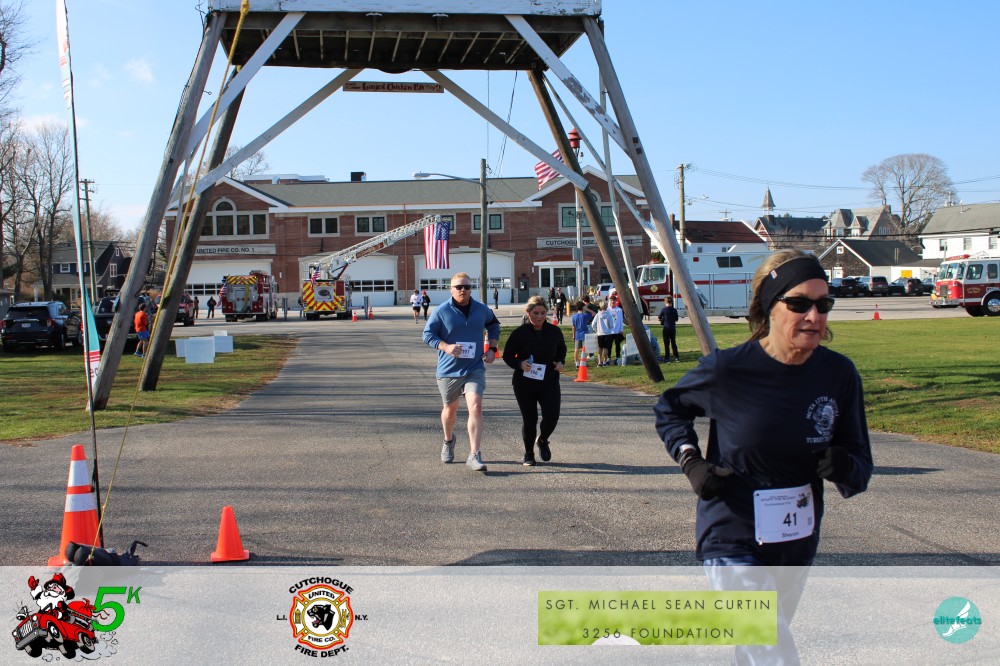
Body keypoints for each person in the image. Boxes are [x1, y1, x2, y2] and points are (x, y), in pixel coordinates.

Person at [654, 249, 873, 664]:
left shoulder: (838, 374)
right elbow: (670, 409)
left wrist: (845, 466)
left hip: (795, 542)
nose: (814, 316)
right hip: (731, 534)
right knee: (771, 646)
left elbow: (860, 464)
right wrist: (691, 461)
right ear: (770, 307)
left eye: (823, 304)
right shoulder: (728, 370)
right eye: (799, 304)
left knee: (758, 646)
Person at [422, 272, 501, 472]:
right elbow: (428, 335)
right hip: (448, 370)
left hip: (474, 368)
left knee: (476, 407)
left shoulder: (481, 309)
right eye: (458, 287)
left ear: (470, 289)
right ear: (451, 290)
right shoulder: (441, 311)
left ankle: (474, 454)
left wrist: (492, 348)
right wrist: (446, 347)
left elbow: (494, 324)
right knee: (450, 410)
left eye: (466, 286)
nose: (463, 290)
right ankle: (448, 440)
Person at [502, 296, 566, 466]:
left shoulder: (554, 331)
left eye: (543, 313)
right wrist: (519, 364)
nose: (539, 316)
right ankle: (529, 453)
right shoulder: (520, 333)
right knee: (530, 418)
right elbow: (508, 355)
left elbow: (562, 349)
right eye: (536, 313)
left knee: (552, 416)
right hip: (524, 383)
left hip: (549, 380)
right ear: (528, 313)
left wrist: (560, 362)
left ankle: (543, 440)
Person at [592, 300, 615, 367]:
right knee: (606, 348)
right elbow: (611, 325)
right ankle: (604, 362)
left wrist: (596, 330)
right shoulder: (609, 315)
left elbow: (593, 324)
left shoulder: (598, 315)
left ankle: (599, 362)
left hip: (600, 333)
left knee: (600, 348)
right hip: (607, 333)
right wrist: (609, 328)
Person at [657, 296, 680, 362]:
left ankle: (667, 358)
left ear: (665, 302)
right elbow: (676, 319)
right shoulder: (674, 310)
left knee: (666, 344)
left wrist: (663, 320)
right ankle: (676, 356)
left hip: (666, 328)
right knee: (673, 342)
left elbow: (659, 317)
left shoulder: (664, 310)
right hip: (672, 328)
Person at [570, 301, 593, 367]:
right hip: (585, 334)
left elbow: (573, 326)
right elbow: (594, 313)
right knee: (584, 349)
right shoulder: (585, 315)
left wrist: (573, 335)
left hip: (577, 334)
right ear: (583, 307)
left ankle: (576, 362)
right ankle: (583, 362)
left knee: (576, 349)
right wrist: (587, 309)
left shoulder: (574, 316)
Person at [608, 293, 625, 361]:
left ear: (616, 301)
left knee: (617, 344)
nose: (612, 302)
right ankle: (609, 356)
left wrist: (621, 329)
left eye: (614, 300)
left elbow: (621, 320)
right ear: (610, 301)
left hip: (617, 330)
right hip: (610, 331)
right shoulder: (607, 310)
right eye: (611, 300)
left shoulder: (619, 310)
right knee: (609, 345)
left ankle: (618, 356)